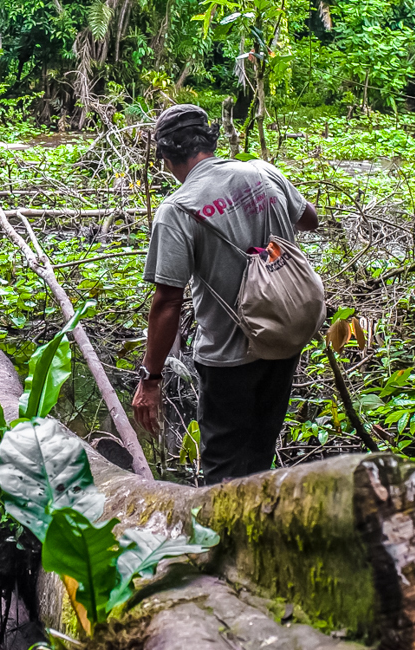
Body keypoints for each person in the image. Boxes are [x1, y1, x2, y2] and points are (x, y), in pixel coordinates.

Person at [131, 104, 319, 485]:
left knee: (221, 470)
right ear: (211, 140)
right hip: (284, 341)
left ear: (166, 157)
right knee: (260, 454)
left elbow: (168, 301)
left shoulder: (178, 209)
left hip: (228, 360)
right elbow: (309, 219)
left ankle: (220, 542)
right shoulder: (263, 172)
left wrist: (151, 378)